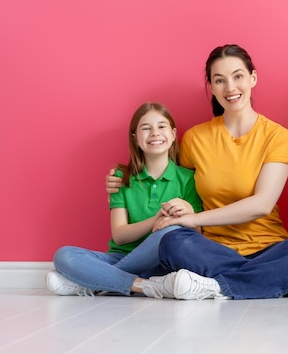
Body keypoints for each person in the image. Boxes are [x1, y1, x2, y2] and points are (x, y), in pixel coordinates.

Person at [106, 44, 288, 300]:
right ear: (211, 87)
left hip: (271, 247)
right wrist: (122, 177)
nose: (230, 88)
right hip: (210, 251)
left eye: (238, 76)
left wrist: (194, 219)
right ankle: (282, 278)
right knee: (172, 241)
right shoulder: (195, 138)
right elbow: (169, 177)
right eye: (220, 80)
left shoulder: (276, 135)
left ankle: (220, 286)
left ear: (253, 78)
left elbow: (262, 204)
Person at [47, 102, 202, 298]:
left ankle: (97, 281)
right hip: (121, 256)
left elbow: (197, 234)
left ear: (172, 134)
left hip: (161, 261)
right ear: (135, 138)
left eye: (161, 127)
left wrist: (186, 213)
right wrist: (156, 220)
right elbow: (119, 235)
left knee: (171, 232)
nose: (155, 133)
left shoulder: (188, 179)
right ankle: (140, 285)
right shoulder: (121, 177)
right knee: (63, 255)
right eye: (146, 128)